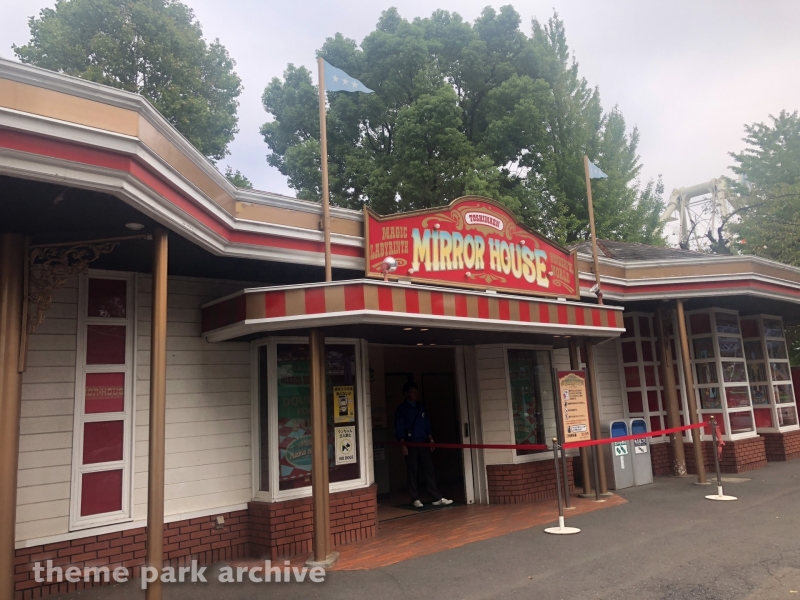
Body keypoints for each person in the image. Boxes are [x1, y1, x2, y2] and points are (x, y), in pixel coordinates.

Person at [394, 381, 453, 508]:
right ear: (406, 394)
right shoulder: (401, 409)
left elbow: (426, 424)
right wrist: (403, 445)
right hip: (410, 443)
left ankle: (436, 497)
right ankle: (414, 498)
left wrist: (430, 438)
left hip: (422, 442)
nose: (415, 394)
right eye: (412, 392)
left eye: (416, 391)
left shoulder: (421, 407)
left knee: (429, 469)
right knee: (412, 470)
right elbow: (399, 428)